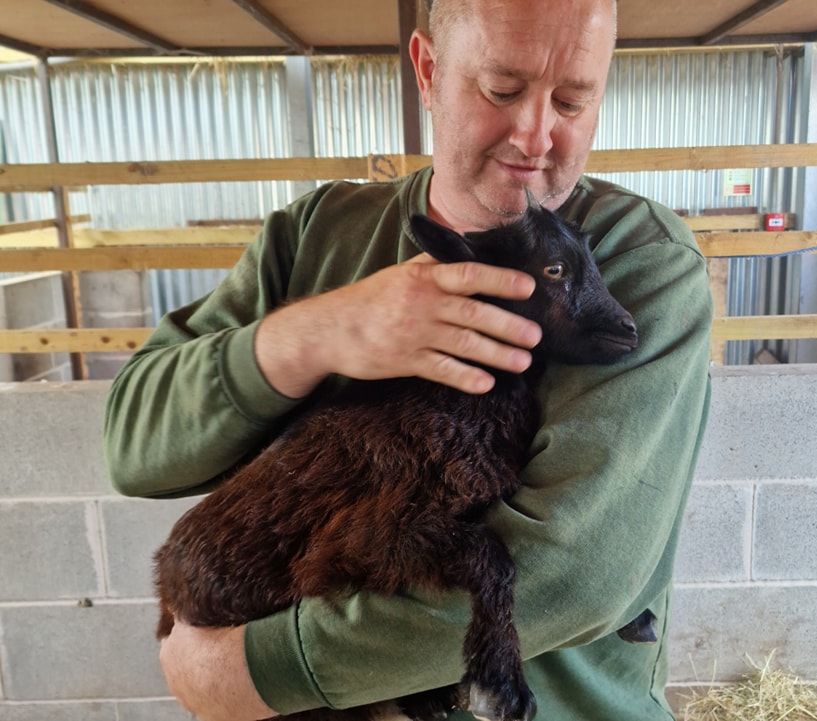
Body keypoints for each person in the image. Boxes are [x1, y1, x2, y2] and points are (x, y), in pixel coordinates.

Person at [102, 0, 713, 719]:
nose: (536, 135)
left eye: (574, 100)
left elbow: (572, 574)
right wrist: (316, 334)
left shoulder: (637, 260)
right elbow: (135, 448)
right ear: (428, 71)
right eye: (502, 89)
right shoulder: (315, 235)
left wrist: (260, 667)